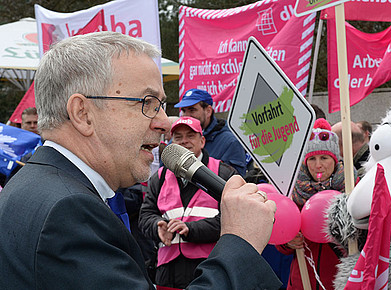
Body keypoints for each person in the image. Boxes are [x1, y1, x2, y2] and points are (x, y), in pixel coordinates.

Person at [0, 32, 281, 289]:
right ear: (83, 113)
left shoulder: (34, 186)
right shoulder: (68, 210)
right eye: (147, 102)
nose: (163, 122)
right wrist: (240, 243)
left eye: (162, 105)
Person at [139, 116, 238, 288]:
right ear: (171, 143)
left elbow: (234, 219)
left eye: (190, 135)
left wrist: (191, 229)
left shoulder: (223, 173)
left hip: (210, 268)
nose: (184, 141)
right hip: (167, 271)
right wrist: (158, 226)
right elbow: (145, 216)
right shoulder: (159, 177)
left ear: (202, 140)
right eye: (178, 137)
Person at [277, 118, 351, 290]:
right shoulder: (292, 189)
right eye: (312, 159)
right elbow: (279, 231)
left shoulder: (352, 187)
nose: (318, 165)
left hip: (340, 279)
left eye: (324, 157)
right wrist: (287, 242)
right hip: (303, 279)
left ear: (335, 159)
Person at [174, 89, 247, 176]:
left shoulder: (230, 142)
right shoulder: (175, 141)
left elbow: (236, 182)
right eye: (184, 111)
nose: (186, 116)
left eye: (192, 110)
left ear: (208, 111)